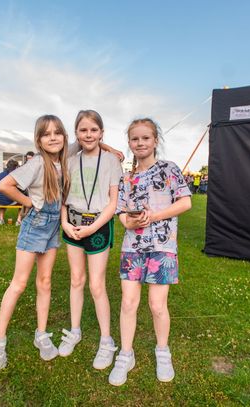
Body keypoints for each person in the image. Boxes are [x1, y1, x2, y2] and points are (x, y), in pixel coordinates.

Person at [108, 118, 192, 386]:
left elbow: (185, 202)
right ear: (129, 143)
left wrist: (154, 216)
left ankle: (162, 352)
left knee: (157, 305)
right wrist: (129, 222)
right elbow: (121, 213)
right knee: (128, 303)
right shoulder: (126, 177)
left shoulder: (169, 169)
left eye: (146, 138)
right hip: (132, 248)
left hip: (162, 248)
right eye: (135, 139)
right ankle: (126, 354)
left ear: (155, 140)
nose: (140, 143)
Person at [0, 114, 71, 370]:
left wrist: (111, 149)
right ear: (38, 140)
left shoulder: (63, 160)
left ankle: (41, 334)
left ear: (64, 136)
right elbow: (5, 185)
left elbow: (86, 142)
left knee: (45, 282)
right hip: (35, 226)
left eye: (57, 132)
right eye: (46, 134)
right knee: (19, 283)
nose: (53, 137)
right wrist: (29, 202)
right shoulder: (37, 163)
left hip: (53, 228)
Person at [58, 110, 123, 370]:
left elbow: (113, 202)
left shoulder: (111, 161)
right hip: (72, 225)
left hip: (98, 225)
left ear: (102, 133)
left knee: (96, 285)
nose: (88, 134)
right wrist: (64, 222)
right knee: (76, 279)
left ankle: (106, 340)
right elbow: (63, 198)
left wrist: (93, 227)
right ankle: (75, 331)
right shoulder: (69, 161)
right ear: (76, 133)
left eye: (93, 130)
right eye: (83, 130)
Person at [0, 159, 20, 225]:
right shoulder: (14, 175)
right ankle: (18, 221)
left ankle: (1, 219)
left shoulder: (1, 174)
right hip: (7, 201)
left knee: (3, 197)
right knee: (23, 201)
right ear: (15, 167)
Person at [15, 151, 36, 225]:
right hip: (24, 188)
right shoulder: (24, 166)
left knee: (30, 205)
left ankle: (25, 219)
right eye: (28, 158)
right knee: (24, 204)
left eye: (30, 158)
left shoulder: (36, 166)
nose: (29, 160)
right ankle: (19, 220)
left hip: (32, 188)